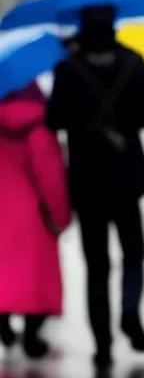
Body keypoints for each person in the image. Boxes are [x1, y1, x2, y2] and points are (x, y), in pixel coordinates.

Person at [47, 5, 144, 373]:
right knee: (134, 253)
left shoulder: (68, 69)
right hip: (126, 177)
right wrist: (124, 118)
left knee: (96, 264)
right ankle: (130, 311)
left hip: (87, 181)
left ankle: (102, 344)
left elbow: (53, 119)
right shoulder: (131, 61)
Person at [0, 83, 71, 358]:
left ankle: (3, 324)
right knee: (34, 277)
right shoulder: (38, 126)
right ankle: (32, 334)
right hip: (33, 216)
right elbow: (50, 174)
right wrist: (60, 215)